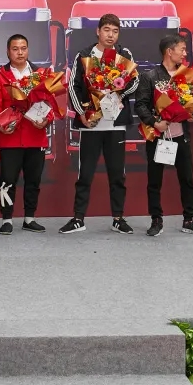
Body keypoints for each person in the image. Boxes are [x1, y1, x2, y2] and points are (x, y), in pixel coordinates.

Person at [61, 13, 139, 234]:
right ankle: (78, 218)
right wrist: (82, 114)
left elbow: (135, 81)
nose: (110, 35)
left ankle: (118, 218)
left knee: (117, 174)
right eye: (106, 30)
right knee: (85, 174)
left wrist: (118, 92)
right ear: (98, 31)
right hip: (91, 125)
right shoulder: (84, 55)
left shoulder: (124, 54)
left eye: (115, 31)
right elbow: (73, 87)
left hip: (116, 125)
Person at [134, 34, 193, 237]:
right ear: (169, 51)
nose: (184, 53)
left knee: (187, 180)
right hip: (158, 136)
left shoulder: (187, 75)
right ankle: (156, 219)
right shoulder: (150, 76)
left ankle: (189, 219)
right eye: (182, 49)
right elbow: (140, 105)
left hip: (181, 136)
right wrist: (154, 122)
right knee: (154, 181)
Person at [0, 34, 52, 235]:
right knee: (7, 181)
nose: (20, 52)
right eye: (15, 49)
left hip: (35, 135)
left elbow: (50, 101)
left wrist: (47, 119)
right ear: (8, 52)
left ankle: (29, 218)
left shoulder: (40, 74)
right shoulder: (0, 75)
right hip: (10, 137)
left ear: (28, 50)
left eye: (23, 48)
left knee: (33, 180)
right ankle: (6, 219)